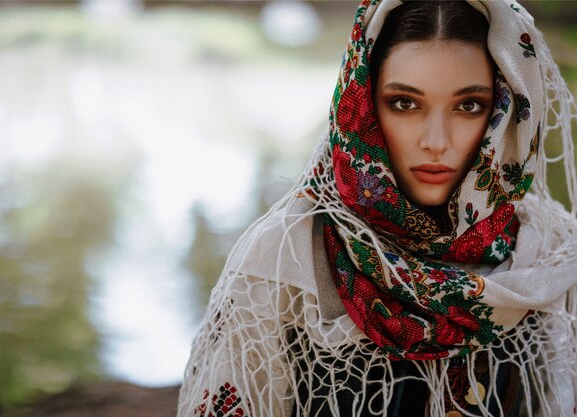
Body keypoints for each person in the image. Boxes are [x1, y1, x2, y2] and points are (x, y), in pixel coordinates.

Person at [178, 1, 577, 416]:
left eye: (468, 105)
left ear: (506, 111)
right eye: (405, 103)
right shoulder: (287, 256)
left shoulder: (548, 250)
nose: (436, 141)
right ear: (364, 105)